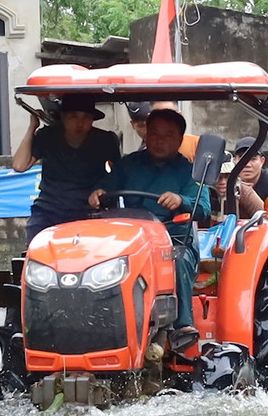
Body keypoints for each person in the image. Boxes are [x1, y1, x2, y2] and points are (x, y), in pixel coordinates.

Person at [89, 107, 207, 327]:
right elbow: (105, 188)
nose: (159, 141)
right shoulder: (129, 165)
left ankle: (183, 326)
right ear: (146, 135)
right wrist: (98, 194)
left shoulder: (189, 171)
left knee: (178, 258)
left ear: (180, 139)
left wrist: (182, 201)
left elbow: (204, 207)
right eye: (154, 134)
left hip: (174, 240)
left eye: (167, 135)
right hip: (132, 242)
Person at [14, 96, 118, 242]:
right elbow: (19, 165)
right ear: (62, 117)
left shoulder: (106, 140)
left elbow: (118, 173)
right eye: (73, 116)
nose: (80, 123)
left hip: (89, 211)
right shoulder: (47, 136)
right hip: (49, 211)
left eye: (86, 117)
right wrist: (32, 127)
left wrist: (103, 189)